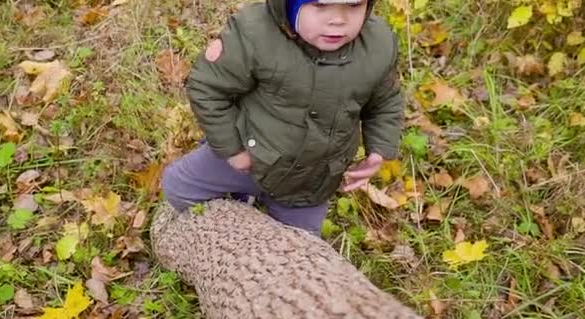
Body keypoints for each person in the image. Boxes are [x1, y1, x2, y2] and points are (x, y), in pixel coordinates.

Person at [160, 0, 403, 235]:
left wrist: (379, 148)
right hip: (250, 156)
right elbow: (208, 87)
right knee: (177, 189)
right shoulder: (255, 34)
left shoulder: (377, 45)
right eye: (319, 5)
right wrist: (233, 150)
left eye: (353, 5)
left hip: (309, 181)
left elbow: (386, 101)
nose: (338, 20)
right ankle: (238, 200)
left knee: (303, 248)